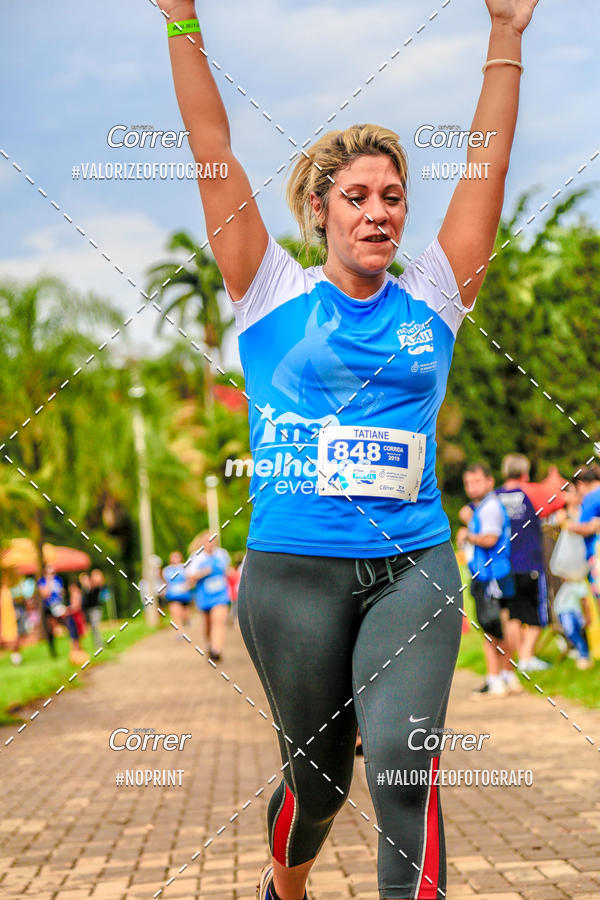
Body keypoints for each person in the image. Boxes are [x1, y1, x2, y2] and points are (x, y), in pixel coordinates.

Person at [163, 0, 539, 895]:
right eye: (358, 197)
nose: (379, 213)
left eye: (394, 197)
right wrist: (179, 18)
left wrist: (506, 35)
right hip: (292, 575)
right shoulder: (265, 290)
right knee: (319, 780)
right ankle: (283, 884)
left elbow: (488, 164)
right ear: (320, 209)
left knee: (406, 771)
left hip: (415, 563)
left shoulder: (436, 299)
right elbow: (208, 138)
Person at [496, 453, 565, 672]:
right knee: (535, 614)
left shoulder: (495, 496)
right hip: (529, 564)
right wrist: (553, 478)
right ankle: (526, 657)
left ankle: (514, 660)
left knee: (513, 614)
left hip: (504, 566)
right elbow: (560, 499)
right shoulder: (532, 492)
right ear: (525, 473)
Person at [457, 463, 520, 699]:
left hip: (490, 574)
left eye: (477, 482)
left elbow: (490, 538)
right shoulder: (485, 507)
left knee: (491, 628)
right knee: (502, 624)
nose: (472, 488)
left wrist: (467, 535)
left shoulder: (490, 507)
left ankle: (496, 680)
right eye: (468, 483)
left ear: (490, 481)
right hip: (495, 573)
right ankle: (506, 677)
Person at [188, 532, 231, 661]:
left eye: (213, 540)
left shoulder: (222, 554)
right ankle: (210, 644)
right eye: (208, 541)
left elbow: (227, 570)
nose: (211, 543)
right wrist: (203, 573)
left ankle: (216, 650)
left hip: (221, 595)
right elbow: (189, 578)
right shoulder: (196, 557)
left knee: (218, 621)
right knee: (208, 624)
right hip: (204, 596)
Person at [565, 465, 600, 601]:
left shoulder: (591, 498)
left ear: (580, 485)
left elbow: (586, 528)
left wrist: (571, 526)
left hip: (596, 554)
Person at [37, 564, 67, 658]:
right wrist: (49, 583)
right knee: (50, 629)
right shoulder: (42, 581)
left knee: (67, 623)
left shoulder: (58, 580)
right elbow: (45, 594)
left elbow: (62, 592)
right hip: (48, 607)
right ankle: (53, 650)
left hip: (58, 605)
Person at [162, 551, 194, 636]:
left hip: (185, 596)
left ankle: (185, 621)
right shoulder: (167, 570)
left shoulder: (185, 568)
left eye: (177, 557)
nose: (175, 559)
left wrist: (186, 586)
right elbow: (165, 583)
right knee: (175, 613)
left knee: (184, 615)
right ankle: (179, 631)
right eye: (173, 557)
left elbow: (191, 580)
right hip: (173, 596)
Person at [81, 569, 105, 650]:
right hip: (89, 610)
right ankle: (97, 644)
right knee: (93, 628)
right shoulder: (85, 590)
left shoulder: (94, 587)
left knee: (95, 626)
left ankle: (99, 644)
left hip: (95, 609)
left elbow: (99, 582)